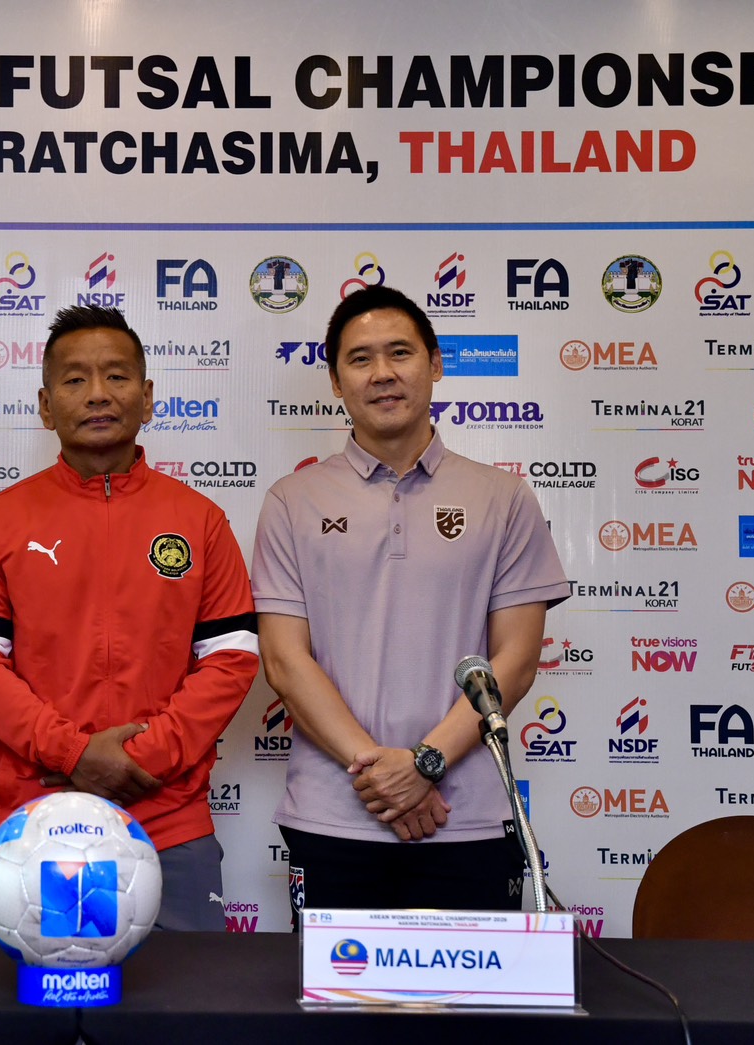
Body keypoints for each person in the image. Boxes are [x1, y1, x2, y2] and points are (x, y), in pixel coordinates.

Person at [252, 285, 569, 916]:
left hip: (466, 818)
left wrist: (427, 763)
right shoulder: (292, 500)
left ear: (435, 363)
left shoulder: (503, 498)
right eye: (360, 359)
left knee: (474, 987)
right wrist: (383, 775)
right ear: (336, 382)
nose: (382, 373)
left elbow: (515, 660)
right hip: (335, 817)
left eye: (400, 352)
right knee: (333, 987)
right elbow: (285, 662)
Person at [0, 305, 259, 930]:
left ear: (147, 398)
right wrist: (74, 752)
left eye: (116, 376)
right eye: (74, 379)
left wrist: (144, 757)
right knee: (52, 993)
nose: (97, 394)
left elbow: (231, 659)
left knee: (192, 993)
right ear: (45, 405)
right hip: (39, 820)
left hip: (168, 818)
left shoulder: (200, 521)